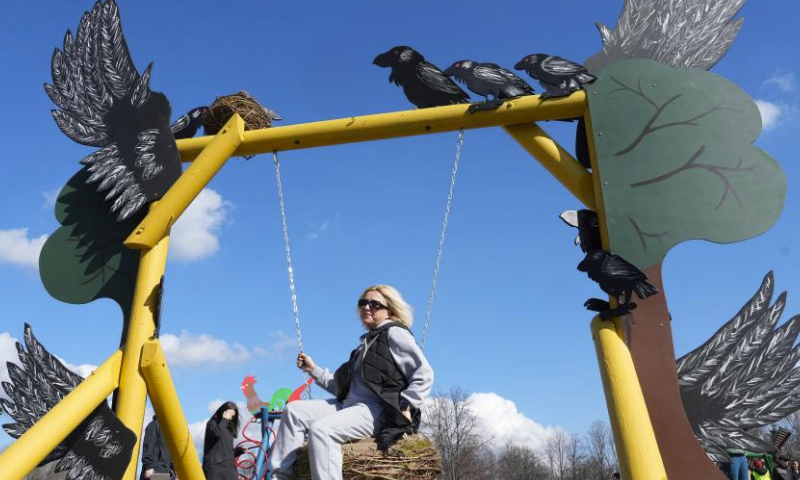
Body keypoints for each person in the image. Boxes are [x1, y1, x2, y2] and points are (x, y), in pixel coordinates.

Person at [269, 285, 434, 480]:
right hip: (349, 406)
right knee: (294, 411)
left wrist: (407, 403)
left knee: (322, 430)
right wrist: (313, 370)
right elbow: (342, 388)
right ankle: (280, 476)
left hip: (375, 410)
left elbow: (424, 374)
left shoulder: (394, 333)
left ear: (389, 309)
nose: (367, 307)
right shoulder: (363, 346)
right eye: (363, 303)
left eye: (375, 304)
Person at [202, 402, 246, 480]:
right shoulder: (211, 424)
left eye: (232, 416)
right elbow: (216, 434)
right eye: (229, 414)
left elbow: (224, 452)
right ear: (223, 412)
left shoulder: (229, 430)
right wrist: (224, 419)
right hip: (214, 469)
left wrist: (238, 451)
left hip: (229, 469)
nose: (230, 418)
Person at [140, 415, 175, 480]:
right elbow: (148, 446)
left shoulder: (169, 431)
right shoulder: (154, 425)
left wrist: (174, 471)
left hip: (165, 473)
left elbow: (170, 454)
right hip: (154, 471)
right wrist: (149, 467)